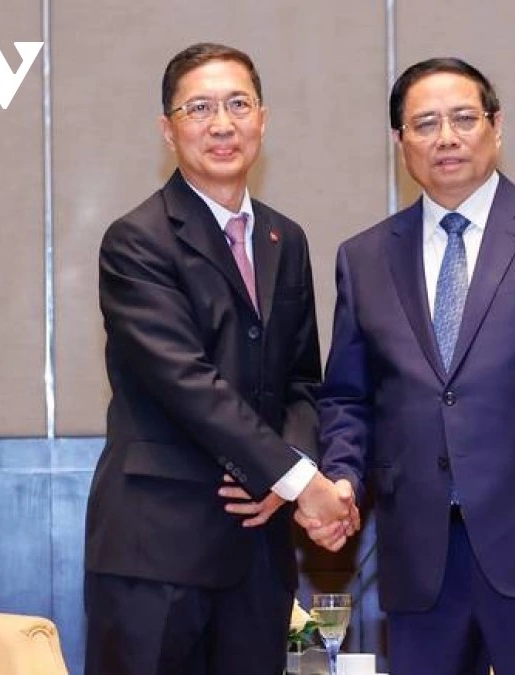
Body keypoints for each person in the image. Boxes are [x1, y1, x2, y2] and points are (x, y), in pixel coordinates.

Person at [301, 58, 515, 675]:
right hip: (420, 560)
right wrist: (343, 479)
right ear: (400, 142)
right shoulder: (364, 257)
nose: (446, 137)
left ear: (496, 125)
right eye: (425, 123)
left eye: (464, 118)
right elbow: (349, 398)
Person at [84, 42, 353, 675]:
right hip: (157, 549)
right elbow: (186, 383)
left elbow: (302, 381)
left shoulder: (286, 239)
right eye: (199, 108)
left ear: (263, 118)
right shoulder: (137, 241)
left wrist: (284, 473)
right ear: (168, 129)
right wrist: (295, 480)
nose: (222, 124)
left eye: (238, 105)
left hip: (258, 551)